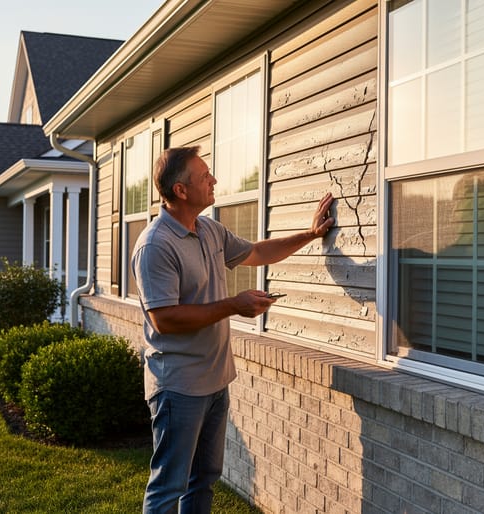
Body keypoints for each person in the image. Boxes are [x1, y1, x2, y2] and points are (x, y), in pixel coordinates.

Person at [131, 145, 335, 513]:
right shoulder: (155, 245)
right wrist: (233, 306)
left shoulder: (209, 230)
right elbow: (165, 318)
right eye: (205, 175)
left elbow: (258, 252)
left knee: (204, 479)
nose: (214, 180)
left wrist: (309, 234)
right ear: (181, 190)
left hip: (215, 381)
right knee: (168, 487)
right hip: (178, 387)